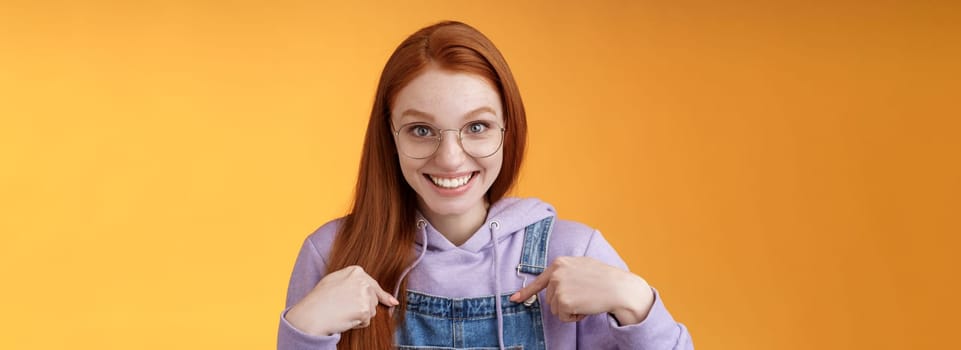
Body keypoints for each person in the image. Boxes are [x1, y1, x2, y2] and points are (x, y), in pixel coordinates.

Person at [277, 21, 693, 350]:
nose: (450, 158)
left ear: (508, 130)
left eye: (477, 126)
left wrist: (635, 300)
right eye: (421, 130)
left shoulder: (571, 253)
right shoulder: (332, 254)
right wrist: (304, 331)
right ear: (390, 136)